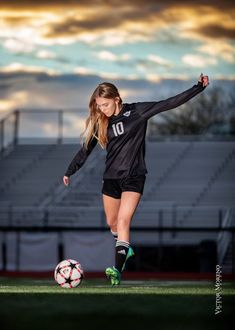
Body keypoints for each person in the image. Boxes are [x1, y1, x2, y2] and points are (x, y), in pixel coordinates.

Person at [63, 73, 209, 285]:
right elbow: (86, 150)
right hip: (111, 178)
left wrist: (198, 88)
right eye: (99, 106)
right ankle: (125, 247)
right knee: (111, 223)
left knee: (123, 220)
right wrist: (70, 171)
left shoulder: (138, 111)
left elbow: (168, 103)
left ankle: (117, 269)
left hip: (134, 176)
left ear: (116, 99)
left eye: (105, 104)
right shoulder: (101, 122)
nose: (102, 109)